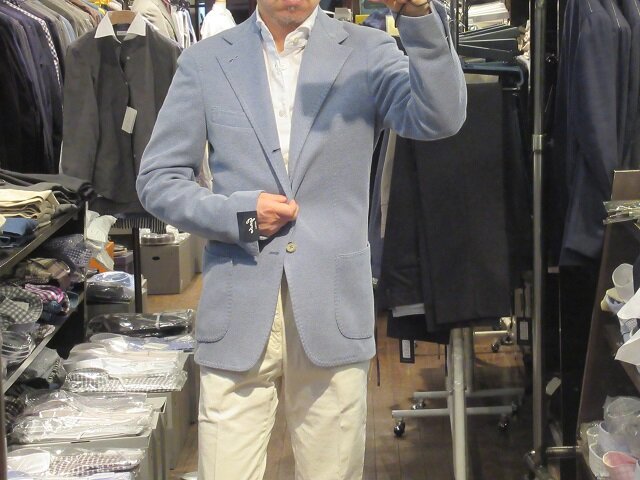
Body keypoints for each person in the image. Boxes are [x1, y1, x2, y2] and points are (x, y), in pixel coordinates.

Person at [136, 0, 466, 476]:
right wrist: (239, 216)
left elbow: (441, 117)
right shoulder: (206, 61)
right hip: (239, 302)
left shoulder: (369, 51)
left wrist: (416, 14)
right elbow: (159, 179)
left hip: (332, 303)